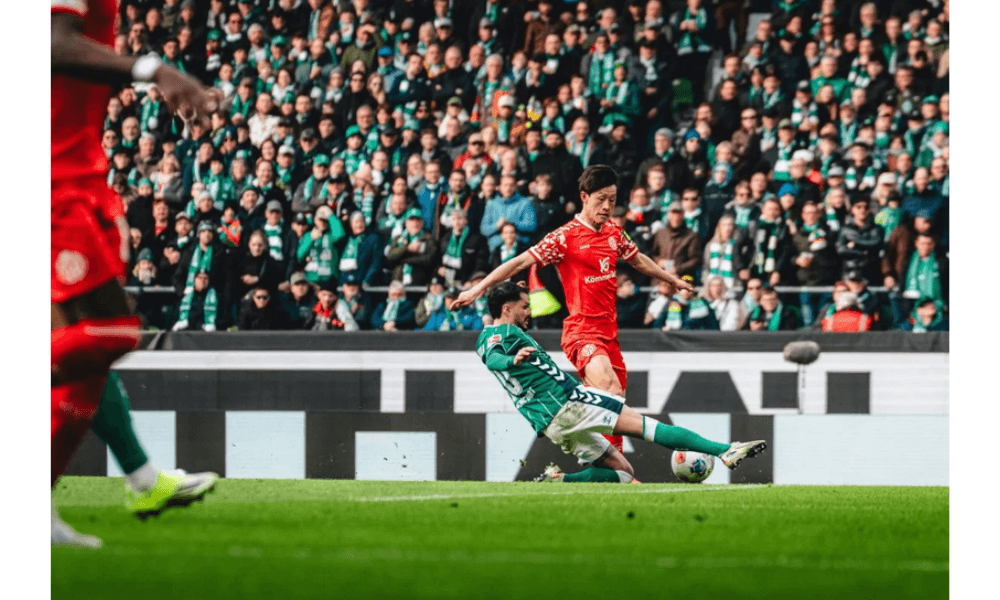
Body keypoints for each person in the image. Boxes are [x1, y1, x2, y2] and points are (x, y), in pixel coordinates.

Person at [51, 0, 214, 547]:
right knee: (106, 333)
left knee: (89, 350)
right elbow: (51, 43)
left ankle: (131, 482)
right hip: (49, 179)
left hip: (77, 173)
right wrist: (152, 69)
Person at [455, 165, 693, 454]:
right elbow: (518, 263)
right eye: (601, 199)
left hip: (609, 335)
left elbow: (638, 259)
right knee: (612, 394)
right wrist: (476, 289)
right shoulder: (564, 238)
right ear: (584, 196)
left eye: (613, 200)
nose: (607, 207)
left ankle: (614, 475)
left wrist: (672, 280)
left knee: (614, 409)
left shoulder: (614, 233)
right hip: (582, 331)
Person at [477, 280, 765, 483]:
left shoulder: (485, 337)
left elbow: (489, 353)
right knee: (649, 427)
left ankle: (560, 479)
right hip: (568, 402)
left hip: (548, 423)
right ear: (506, 309)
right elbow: (494, 359)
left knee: (623, 473)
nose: (530, 311)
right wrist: (511, 361)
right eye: (524, 306)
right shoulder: (502, 337)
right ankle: (725, 450)